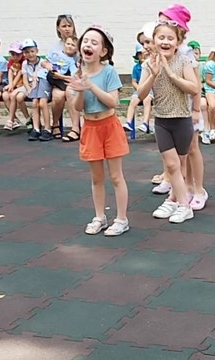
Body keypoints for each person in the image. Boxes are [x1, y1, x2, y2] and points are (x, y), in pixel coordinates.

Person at [67, 25, 130, 237]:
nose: (88, 45)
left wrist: (91, 86)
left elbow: (113, 102)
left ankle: (121, 219)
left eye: (94, 43)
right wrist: (80, 90)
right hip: (90, 128)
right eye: (86, 41)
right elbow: (78, 107)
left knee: (116, 176)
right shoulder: (78, 73)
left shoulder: (108, 71)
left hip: (109, 125)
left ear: (103, 51)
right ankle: (99, 217)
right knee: (96, 178)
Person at [137, 19, 200, 224]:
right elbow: (141, 94)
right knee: (172, 165)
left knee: (180, 165)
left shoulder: (183, 62)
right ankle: (184, 206)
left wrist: (171, 74)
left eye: (170, 38)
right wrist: (153, 75)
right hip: (162, 121)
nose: (165, 42)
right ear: (154, 40)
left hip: (181, 120)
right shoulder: (148, 64)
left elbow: (194, 88)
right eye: (161, 37)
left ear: (178, 42)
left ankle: (173, 200)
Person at [47, 35, 81, 141]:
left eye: (73, 45)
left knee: (64, 94)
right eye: (68, 44)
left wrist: (60, 76)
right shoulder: (55, 53)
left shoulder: (72, 60)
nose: (70, 46)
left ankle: (74, 128)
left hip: (62, 82)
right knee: (58, 96)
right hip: (49, 80)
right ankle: (55, 124)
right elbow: (44, 62)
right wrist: (47, 66)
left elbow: (74, 76)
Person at [20, 38, 53, 141]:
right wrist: (28, 89)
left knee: (42, 103)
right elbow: (25, 78)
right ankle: (36, 128)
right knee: (34, 103)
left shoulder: (42, 62)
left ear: (37, 51)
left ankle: (48, 129)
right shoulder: (25, 64)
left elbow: (46, 74)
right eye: (27, 52)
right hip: (34, 85)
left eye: (32, 51)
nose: (30, 54)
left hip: (43, 83)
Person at [123, 42, 153, 134]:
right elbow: (134, 81)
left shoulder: (152, 65)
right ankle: (128, 122)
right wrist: (139, 88)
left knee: (147, 100)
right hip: (139, 89)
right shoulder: (136, 68)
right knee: (133, 100)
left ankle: (145, 123)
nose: (143, 56)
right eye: (140, 54)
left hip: (151, 90)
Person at [2, 42, 29, 131]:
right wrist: (10, 84)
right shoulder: (11, 61)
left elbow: (20, 74)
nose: (15, 57)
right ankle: (14, 119)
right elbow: (10, 72)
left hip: (22, 84)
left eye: (17, 54)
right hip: (14, 85)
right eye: (13, 54)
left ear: (22, 54)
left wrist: (12, 85)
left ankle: (11, 120)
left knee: (14, 96)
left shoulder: (24, 62)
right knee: (5, 95)